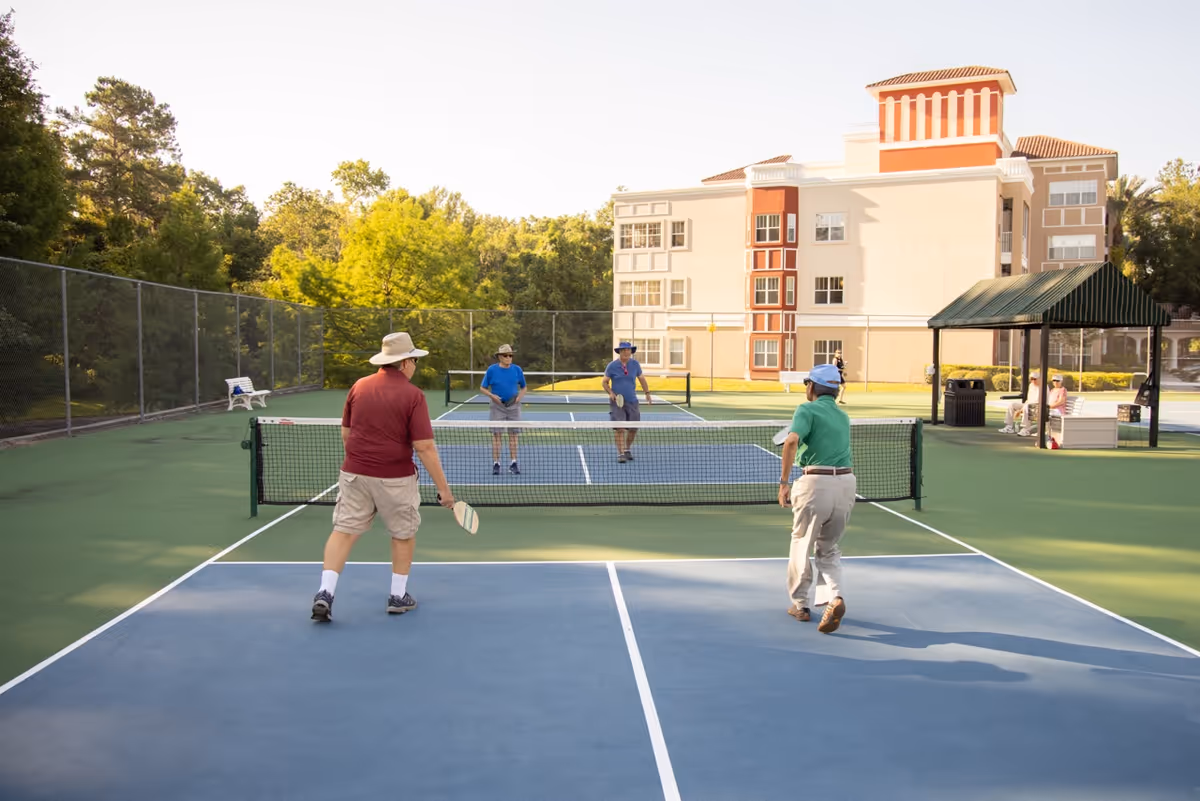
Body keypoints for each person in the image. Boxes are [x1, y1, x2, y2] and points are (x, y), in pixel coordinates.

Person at [311, 332, 455, 623]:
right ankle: (398, 596)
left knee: (344, 532)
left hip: (354, 474)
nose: (415, 365)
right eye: (414, 359)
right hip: (396, 478)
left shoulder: (359, 387)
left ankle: (325, 593)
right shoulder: (414, 395)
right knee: (403, 535)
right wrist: (445, 490)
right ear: (404, 363)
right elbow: (424, 446)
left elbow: (346, 433)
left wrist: (359, 462)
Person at [777, 363, 854, 634]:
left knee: (802, 544)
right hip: (846, 485)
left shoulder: (805, 409)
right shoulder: (843, 416)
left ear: (811, 386)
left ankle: (800, 604)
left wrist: (784, 483)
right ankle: (835, 597)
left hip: (814, 484)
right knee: (829, 548)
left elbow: (791, 440)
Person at [602, 341, 652, 463]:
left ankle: (627, 449)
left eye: (628, 350)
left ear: (631, 352)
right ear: (619, 351)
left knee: (633, 428)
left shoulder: (635, 365)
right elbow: (604, 382)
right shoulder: (612, 366)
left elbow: (642, 379)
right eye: (623, 350)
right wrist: (611, 393)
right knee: (620, 428)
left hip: (632, 401)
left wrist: (647, 393)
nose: (626, 352)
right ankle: (620, 453)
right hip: (617, 402)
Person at [480, 344, 526, 475]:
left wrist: (519, 398)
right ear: (500, 357)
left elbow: (524, 387)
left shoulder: (517, 370)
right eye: (506, 355)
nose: (509, 358)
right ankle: (496, 463)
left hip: (514, 407)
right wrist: (492, 396)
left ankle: (513, 463)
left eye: (510, 355)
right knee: (497, 436)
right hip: (497, 407)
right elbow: (482, 388)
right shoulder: (491, 370)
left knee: (513, 436)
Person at [1018, 373, 1070, 438]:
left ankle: (1030, 429)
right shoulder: (1053, 390)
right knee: (1037, 410)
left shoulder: (1062, 390)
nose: (1055, 382)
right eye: (1054, 380)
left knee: (1041, 411)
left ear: (1061, 381)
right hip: (1049, 409)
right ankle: (1034, 430)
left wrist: (1049, 406)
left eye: (1057, 381)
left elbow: (1061, 401)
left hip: (1057, 410)